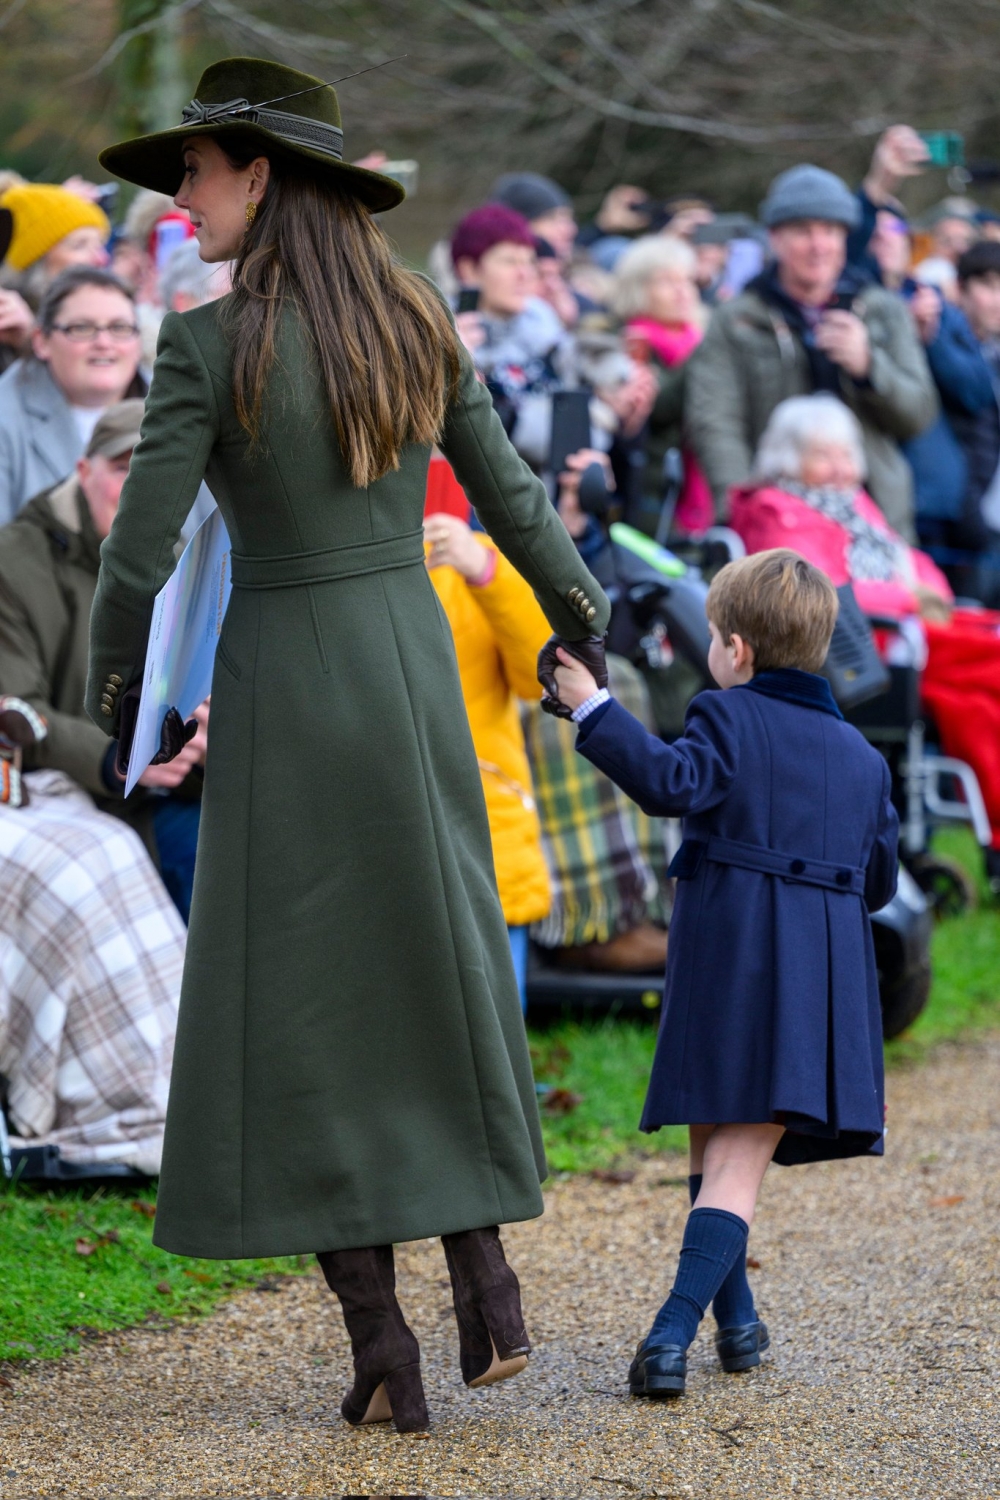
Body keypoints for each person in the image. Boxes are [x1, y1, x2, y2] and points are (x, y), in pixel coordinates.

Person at [86, 56, 610, 1434]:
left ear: (263, 176)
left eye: (194, 170)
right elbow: (515, 503)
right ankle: (485, 1282)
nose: (182, 197)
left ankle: (384, 1342)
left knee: (298, 1006)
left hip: (288, 685)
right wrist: (583, 625)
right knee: (432, 962)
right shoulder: (417, 320)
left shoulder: (207, 342)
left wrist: (106, 719)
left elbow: (135, 565)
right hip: (411, 669)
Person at [544, 548, 898, 1398]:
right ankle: (736, 1326)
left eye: (710, 634)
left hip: (733, 961)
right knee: (721, 1143)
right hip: (817, 978)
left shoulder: (727, 718)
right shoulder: (863, 758)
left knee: (731, 1157)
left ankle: (669, 1336)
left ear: (735, 650)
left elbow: (671, 783)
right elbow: (879, 881)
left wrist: (592, 704)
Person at [0, 401, 207, 920]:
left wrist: (205, 729)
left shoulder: (184, 560)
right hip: (67, 794)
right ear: (83, 471)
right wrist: (116, 758)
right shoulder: (14, 563)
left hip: (173, 786)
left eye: (160, 473)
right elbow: (15, 710)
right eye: (123, 468)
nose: (142, 489)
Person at [686, 163, 938, 539]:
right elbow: (715, 421)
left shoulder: (883, 310)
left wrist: (869, 367)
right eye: (803, 231)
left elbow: (918, 415)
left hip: (873, 520)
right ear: (774, 238)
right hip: (776, 519)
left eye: (831, 231)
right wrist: (740, 509)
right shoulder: (738, 318)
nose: (819, 245)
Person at [423, 508, 552, 1009]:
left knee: (497, 1014)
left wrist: (484, 570)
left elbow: (538, 674)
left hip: (487, 819)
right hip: (391, 814)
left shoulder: (484, 558)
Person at [729, 394, 952, 621]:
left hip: (889, 628)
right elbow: (817, 593)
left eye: (846, 455)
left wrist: (934, 592)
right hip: (840, 642)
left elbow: (902, 553)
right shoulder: (774, 511)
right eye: (823, 456)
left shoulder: (851, 501)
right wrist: (910, 599)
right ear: (788, 457)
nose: (839, 469)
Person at [0, 266, 144, 525]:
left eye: (119, 327)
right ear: (41, 341)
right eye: (82, 328)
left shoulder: (177, 410)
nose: (103, 342)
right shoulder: (6, 420)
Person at [611, 234, 712, 537]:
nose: (682, 291)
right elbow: (660, 405)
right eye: (667, 281)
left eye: (688, 281)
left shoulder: (695, 338)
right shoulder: (631, 343)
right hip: (654, 496)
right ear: (639, 289)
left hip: (700, 487)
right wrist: (707, 352)